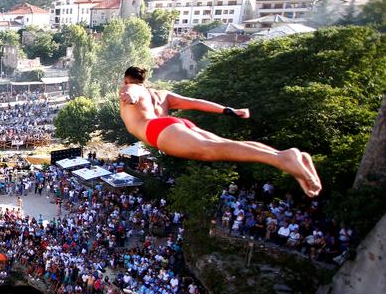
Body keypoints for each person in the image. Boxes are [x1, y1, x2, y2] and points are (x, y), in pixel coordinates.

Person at [118, 67, 321, 197]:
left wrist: (131, 97)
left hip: (156, 129)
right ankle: (283, 155)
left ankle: (281, 159)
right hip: (178, 123)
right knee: (222, 145)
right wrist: (228, 110)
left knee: (208, 150)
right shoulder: (161, 94)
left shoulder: (130, 89)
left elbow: (133, 92)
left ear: (127, 80)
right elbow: (196, 103)